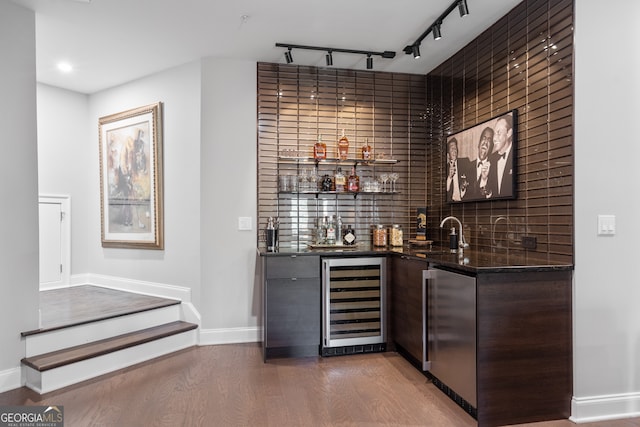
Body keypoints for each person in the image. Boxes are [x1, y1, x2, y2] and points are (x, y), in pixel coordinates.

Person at [489, 114, 514, 198]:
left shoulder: (516, 156)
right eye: (494, 134)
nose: (494, 138)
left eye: (498, 133)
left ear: (509, 133)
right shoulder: (490, 159)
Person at [469, 126, 497, 199]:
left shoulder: (495, 168)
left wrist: (484, 180)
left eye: (489, 140)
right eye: (483, 138)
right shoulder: (468, 166)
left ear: (491, 148)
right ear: (478, 144)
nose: (485, 142)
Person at [445, 137, 471, 202]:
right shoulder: (444, 169)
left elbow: (472, 180)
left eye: (455, 148)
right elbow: (445, 191)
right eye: (452, 148)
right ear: (448, 155)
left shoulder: (465, 162)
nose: (454, 150)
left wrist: (464, 187)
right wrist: (450, 177)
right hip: (451, 204)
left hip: (465, 202)